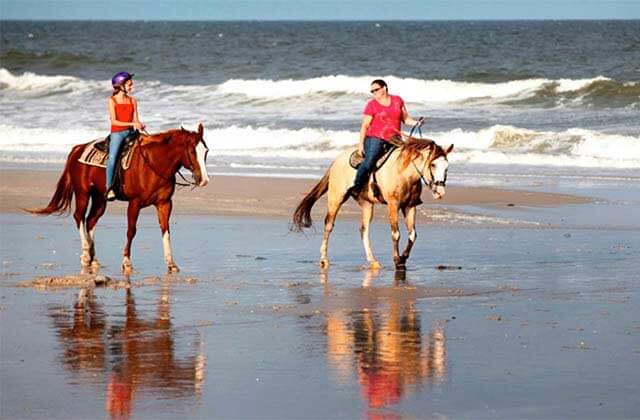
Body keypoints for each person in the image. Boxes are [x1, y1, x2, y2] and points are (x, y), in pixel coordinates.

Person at [350, 79, 423, 194]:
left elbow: (405, 119)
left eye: (376, 90)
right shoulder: (371, 105)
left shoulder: (397, 101)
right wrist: (360, 146)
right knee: (369, 161)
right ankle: (357, 186)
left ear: (384, 88)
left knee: (410, 156)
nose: (374, 93)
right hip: (375, 137)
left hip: (395, 138)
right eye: (372, 91)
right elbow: (364, 126)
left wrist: (416, 123)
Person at [106, 71, 145, 201]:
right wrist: (132, 123)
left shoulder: (133, 101)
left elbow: (136, 119)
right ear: (120, 85)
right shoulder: (112, 101)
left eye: (131, 84)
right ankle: (109, 188)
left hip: (131, 132)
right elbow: (114, 121)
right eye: (129, 84)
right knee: (112, 158)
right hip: (117, 133)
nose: (131, 86)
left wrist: (138, 124)